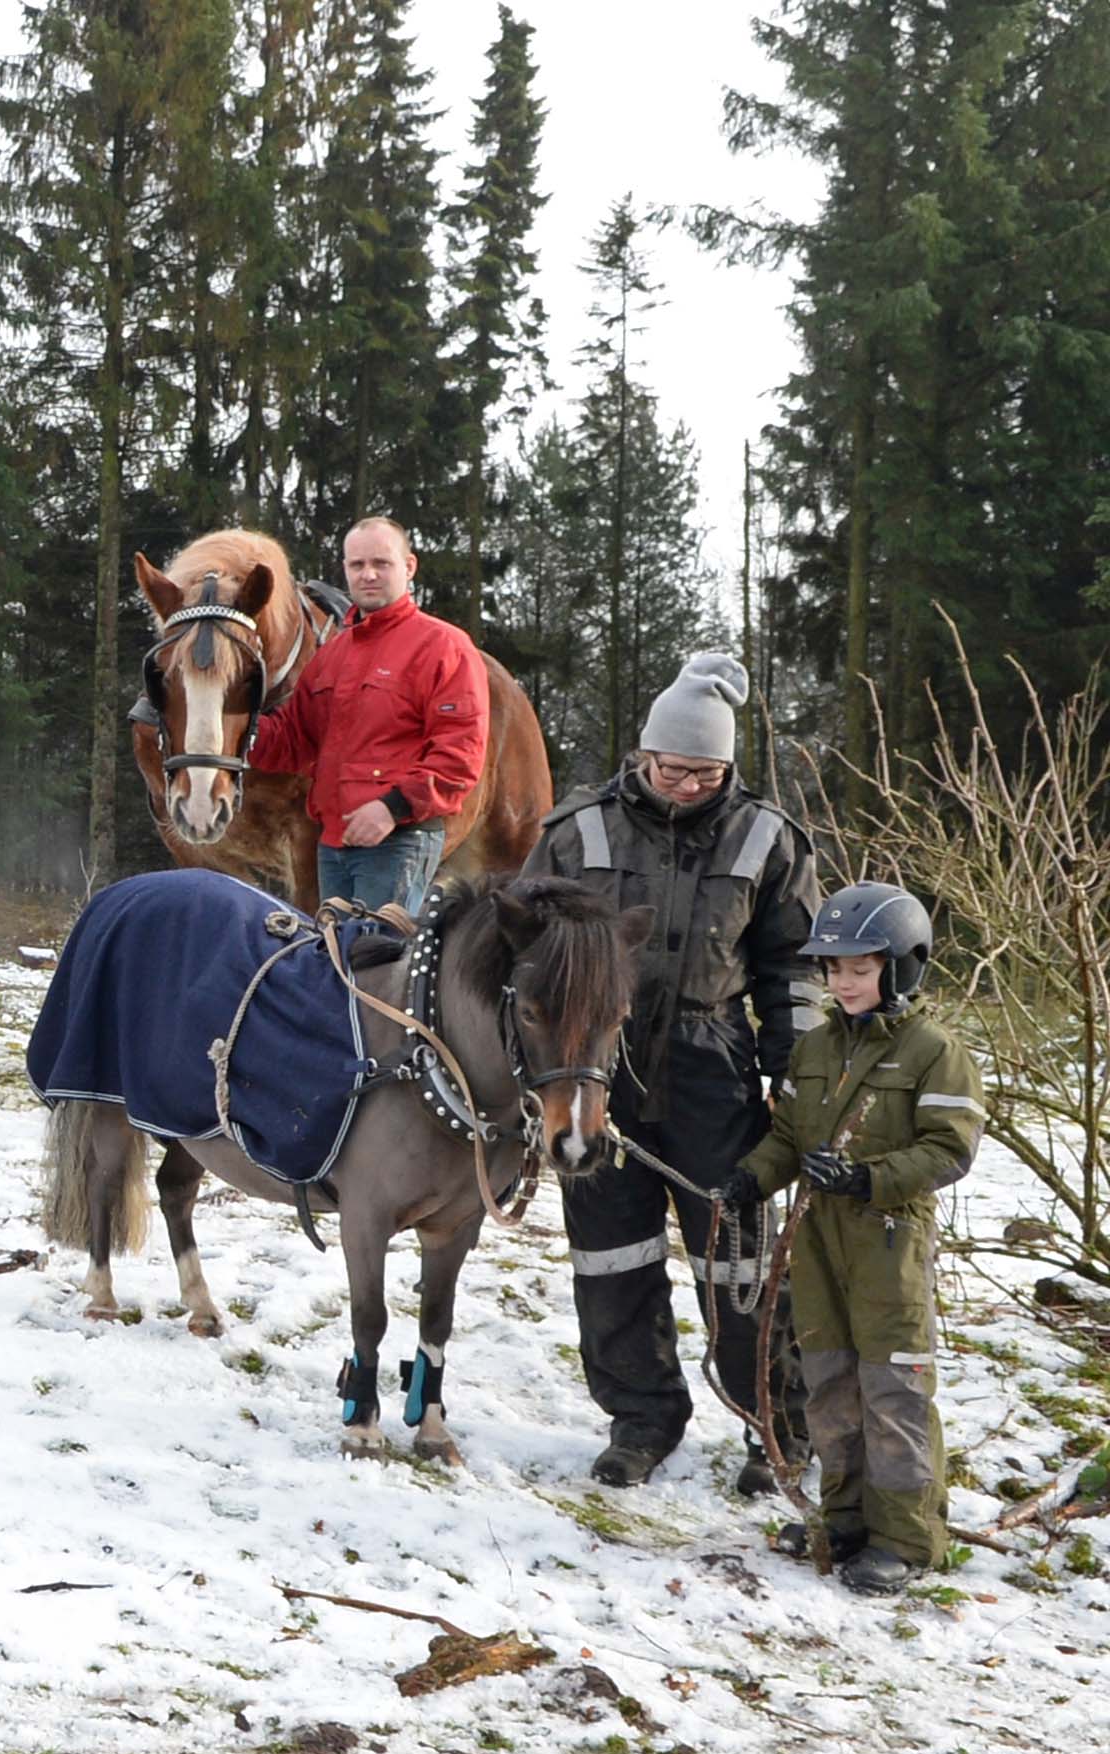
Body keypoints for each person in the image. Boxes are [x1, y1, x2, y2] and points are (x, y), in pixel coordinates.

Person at [521, 651, 820, 1492]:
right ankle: (642, 1418)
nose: (688, 784)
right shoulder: (575, 831)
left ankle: (776, 1425)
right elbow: (525, 957)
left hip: (711, 1063)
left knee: (738, 1256)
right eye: (673, 768)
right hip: (594, 1068)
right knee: (611, 1253)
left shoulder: (766, 836)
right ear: (642, 755)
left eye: (707, 771)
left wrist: (791, 1066)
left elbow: (792, 964)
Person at [724, 884, 983, 1595]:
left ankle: (904, 1537)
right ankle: (844, 1518)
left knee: (892, 1387)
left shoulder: (935, 1051)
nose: (842, 983)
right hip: (817, 1240)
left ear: (901, 967)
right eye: (833, 970)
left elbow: (949, 1149)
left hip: (888, 1242)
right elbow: (789, 1136)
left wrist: (867, 1179)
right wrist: (752, 1177)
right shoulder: (815, 1046)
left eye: (859, 969)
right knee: (829, 1379)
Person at [245, 515, 490, 917]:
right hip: (333, 843)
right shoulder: (333, 656)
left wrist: (392, 808)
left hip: (398, 839)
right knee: (336, 963)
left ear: (409, 566)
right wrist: (231, 729)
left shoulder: (443, 646)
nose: (368, 574)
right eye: (357, 565)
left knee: (377, 965)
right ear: (344, 569)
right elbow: (294, 739)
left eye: (382, 563)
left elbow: (460, 755)